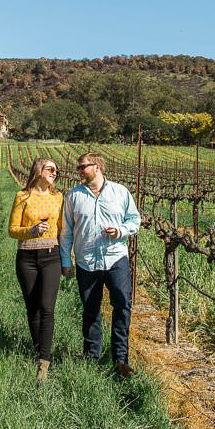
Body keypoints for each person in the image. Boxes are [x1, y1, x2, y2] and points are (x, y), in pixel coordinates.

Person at [60, 153, 141, 377]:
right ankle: (91, 357)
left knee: (122, 306)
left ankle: (120, 359)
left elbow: (134, 220)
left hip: (116, 258)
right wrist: (66, 261)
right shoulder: (73, 196)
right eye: (78, 167)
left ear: (97, 167)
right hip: (87, 262)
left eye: (83, 167)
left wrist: (121, 231)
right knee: (90, 310)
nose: (79, 171)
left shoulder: (120, 192)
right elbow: (66, 232)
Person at [7, 156, 64, 383]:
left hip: (51, 256)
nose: (54, 173)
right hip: (27, 257)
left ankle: (44, 361)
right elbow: (12, 230)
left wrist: (67, 259)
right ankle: (37, 350)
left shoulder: (58, 197)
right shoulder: (22, 196)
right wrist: (30, 231)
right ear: (38, 170)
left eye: (56, 171)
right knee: (32, 308)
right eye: (50, 169)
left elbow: (63, 231)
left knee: (47, 307)